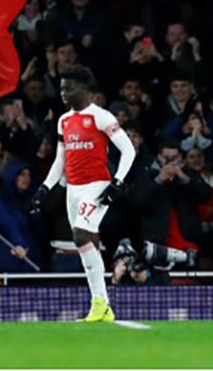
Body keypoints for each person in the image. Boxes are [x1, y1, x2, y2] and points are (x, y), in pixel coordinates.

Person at [30, 65, 136, 322]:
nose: (64, 92)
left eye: (69, 87)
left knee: (80, 234)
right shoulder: (63, 120)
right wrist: (45, 188)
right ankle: (102, 305)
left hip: (97, 185)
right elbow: (60, 160)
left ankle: (100, 302)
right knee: (86, 242)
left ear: (85, 89)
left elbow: (129, 150)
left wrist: (118, 182)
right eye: (62, 88)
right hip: (73, 190)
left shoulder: (100, 116)